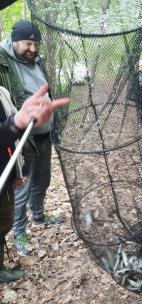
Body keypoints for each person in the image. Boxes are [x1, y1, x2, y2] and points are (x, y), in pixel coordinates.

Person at [0, 20, 63, 256]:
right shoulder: (3, 62)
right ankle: (19, 233)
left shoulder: (36, 60)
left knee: (43, 179)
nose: (33, 49)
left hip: (44, 134)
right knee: (21, 188)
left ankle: (38, 215)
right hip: (20, 138)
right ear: (15, 40)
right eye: (28, 43)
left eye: (35, 44)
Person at [0, 85, 69, 282]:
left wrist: (16, 170)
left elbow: (7, 140)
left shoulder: (3, 93)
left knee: (3, 223)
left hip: (5, 177)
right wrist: (14, 125)